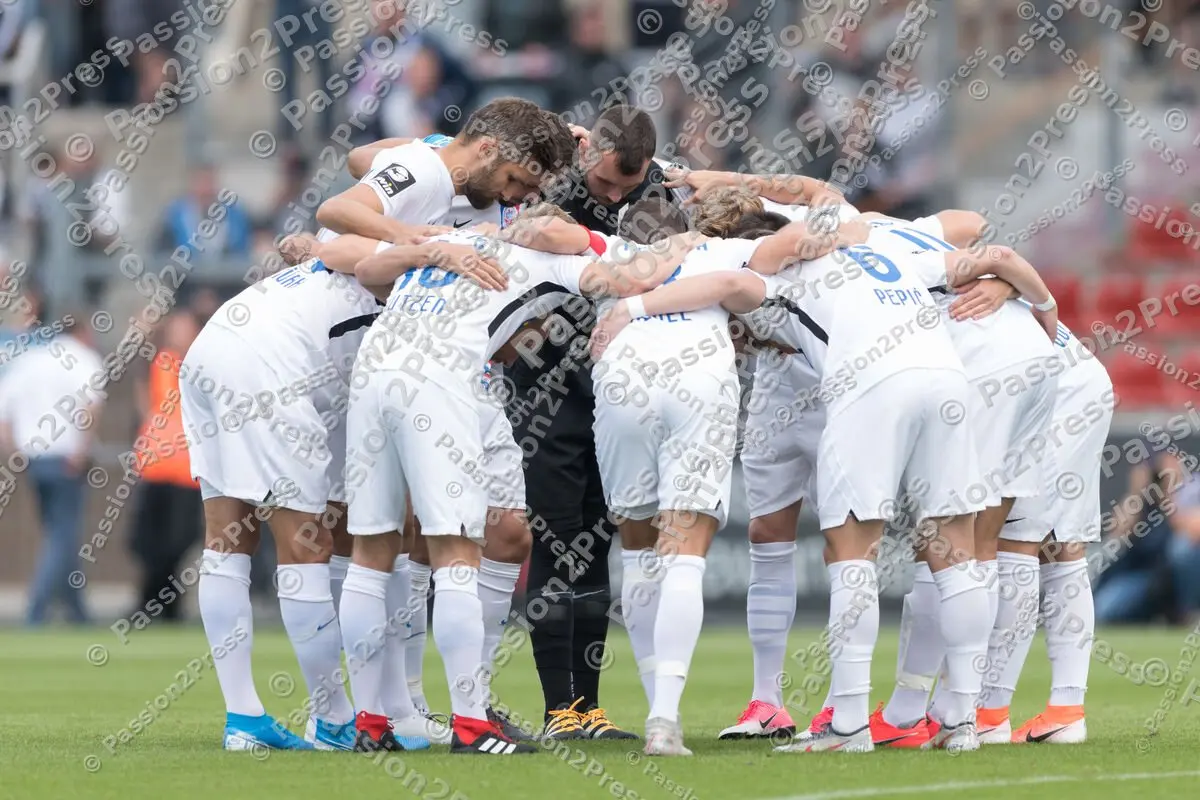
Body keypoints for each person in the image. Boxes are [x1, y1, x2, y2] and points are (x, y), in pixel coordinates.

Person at [592, 211, 1061, 754]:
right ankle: (962, 720)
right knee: (954, 553)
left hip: (871, 387)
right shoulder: (893, 255)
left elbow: (725, 283)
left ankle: (849, 726)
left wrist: (630, 307)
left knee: (850, 552)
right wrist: (1044, 307)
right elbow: (1000, 257)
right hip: (947, 385)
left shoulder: (775, 278)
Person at [338, 215, 702, 754]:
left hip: (378, 374)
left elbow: (368, 268)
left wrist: (430, 253)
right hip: (441, 381)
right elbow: (632, 280)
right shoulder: (557, 259)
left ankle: (370, 723)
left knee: (391, 547)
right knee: (456, 548)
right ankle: (470, 724)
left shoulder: (454, 238)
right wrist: (690, 241)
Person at [183, 233, 433, 753]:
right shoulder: (420, 280)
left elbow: (323, 235)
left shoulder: (360, 242)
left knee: (227, 539)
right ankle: (334, 720)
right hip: (271, 368)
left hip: (212, 349)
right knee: (307, 545)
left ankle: (244, 718)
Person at [0, 312, 104, 625]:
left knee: (59, 532)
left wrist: (14, 453)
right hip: (65, 456)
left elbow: (5, 414)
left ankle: (76, 610)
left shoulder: (29, 360)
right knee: (62, 534)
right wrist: (82, 449)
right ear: (83, 331)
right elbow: (91, 406)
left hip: (34, 457)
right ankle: (37, 608)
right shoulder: (84, 359)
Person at [128, 311, 203, 622]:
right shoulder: (160, 361)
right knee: (145, 540)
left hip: (188, 468)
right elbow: (136, 383)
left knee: (179, 540)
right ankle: (151, 601)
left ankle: (164, 604)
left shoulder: (204, 365)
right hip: (155, 464)